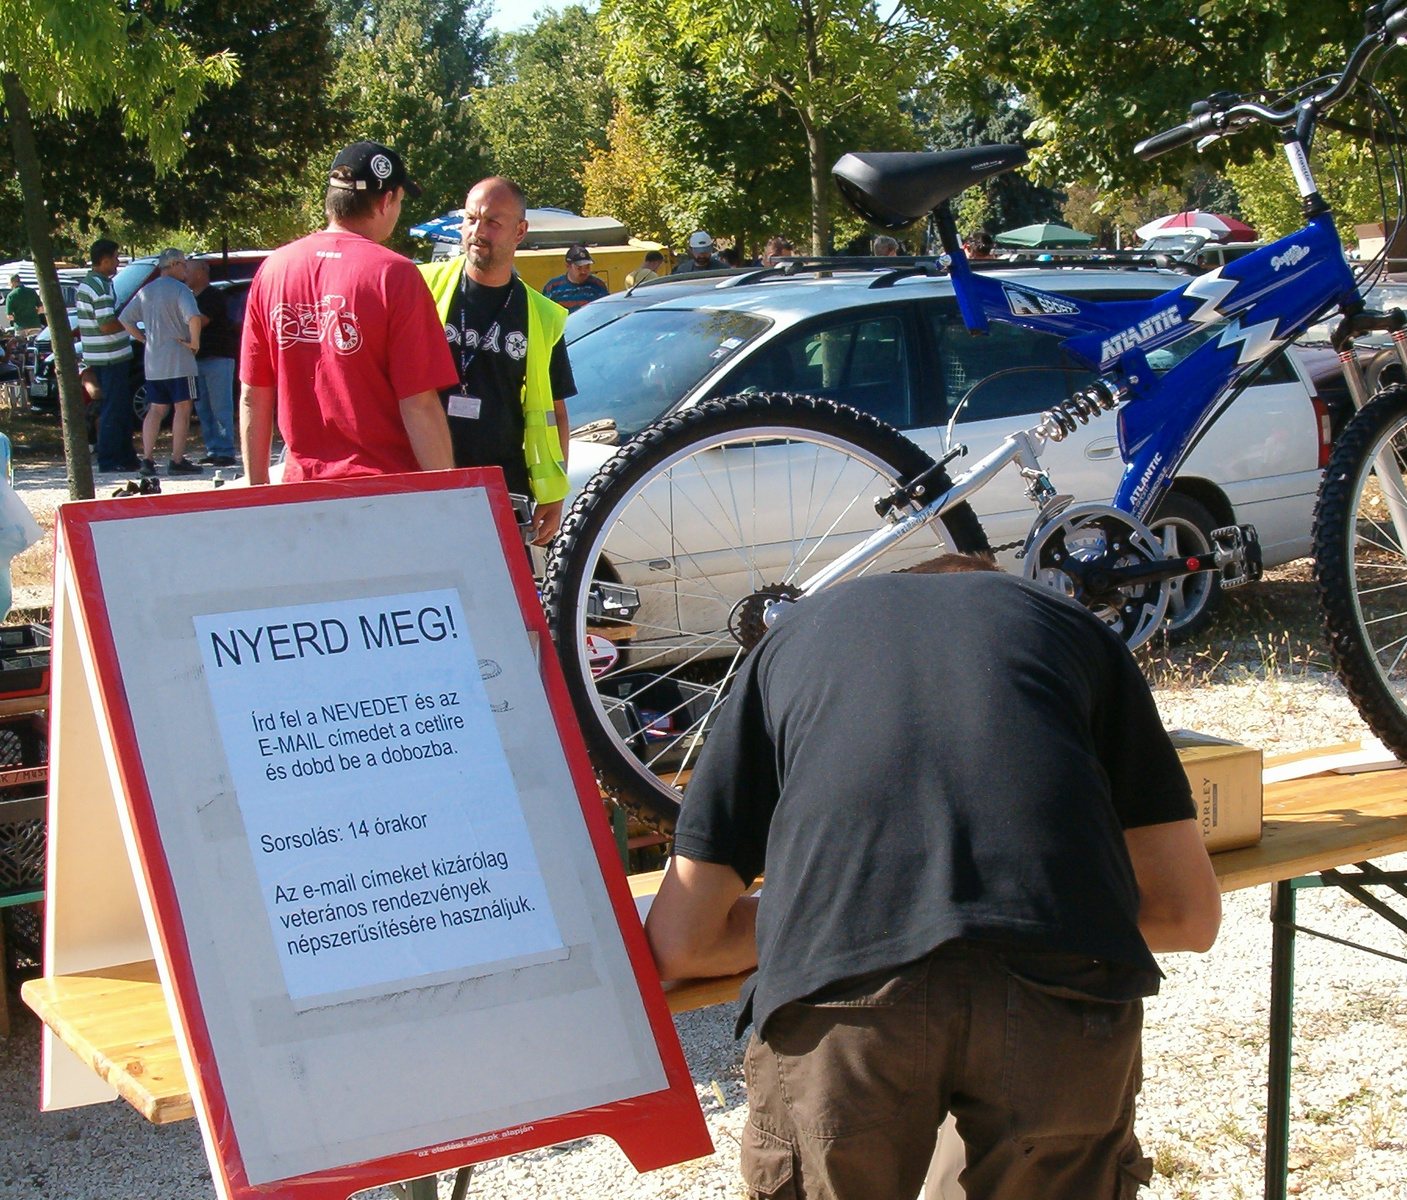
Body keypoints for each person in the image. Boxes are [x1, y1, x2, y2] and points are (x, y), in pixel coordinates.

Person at [647, 553, 1221, 1200]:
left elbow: (682, 940)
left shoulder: (792, 641)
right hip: (1061, 988)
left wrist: (842, 907)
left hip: (843, 997)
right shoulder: (1070, 628)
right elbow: (1188, 915)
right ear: (998, 589)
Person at [239, 140, 457, 484]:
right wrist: (451, 495)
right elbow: (419, 405)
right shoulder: (394, 275)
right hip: (385, 489)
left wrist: (257, 491)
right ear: (387, 200)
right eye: (400, 201)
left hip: (301, 491)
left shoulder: (273, 269)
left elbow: (254, 395)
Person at [419, 177, 575, 546]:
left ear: (520, 231)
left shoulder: (542, 314)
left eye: (492, 222)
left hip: (502, 488)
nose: (478, 231)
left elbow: (556, 411)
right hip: (425, 479)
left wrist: (554, 493)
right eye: (471, 219)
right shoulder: (421, 287)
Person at [122, 248, 203, 477]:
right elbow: (194, 317)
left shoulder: (146, 291)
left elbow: (125, 320)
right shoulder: (181, 290)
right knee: (183, 408)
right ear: (175, 264)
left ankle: (147, 459)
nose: (186, 269)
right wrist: (194, 342)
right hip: (179, 358)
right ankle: (176, 459)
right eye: (184, 264)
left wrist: (144, 339)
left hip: (154, 360)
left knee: (155, 409)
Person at [76, 238, 139, 472]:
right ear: (103, 260)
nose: (117, 262)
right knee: (115, 408)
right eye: (115, 257)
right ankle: (111, 459)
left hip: (99, 355)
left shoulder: (88, 283)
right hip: (110, 356)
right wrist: (130, 324)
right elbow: (106, 324)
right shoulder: (101, 286)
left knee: (117, 407)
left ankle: (125, 456)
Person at [186, 259, 237, 467]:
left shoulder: (214, 296)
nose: (184, 275)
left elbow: (202, 321)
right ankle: (212, 448)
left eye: (187, 270)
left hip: (218, 359)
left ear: (200, 273)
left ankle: (225, 450)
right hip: (194, 360)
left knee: (220, 407)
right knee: (202, 408)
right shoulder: (187, 298)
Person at [541, 244, 609, 311]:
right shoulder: (552, 287)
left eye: (587, 267)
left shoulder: (598, 286)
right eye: (579, 268)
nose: (584, 271)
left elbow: (607, 311)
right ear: (568, 266)